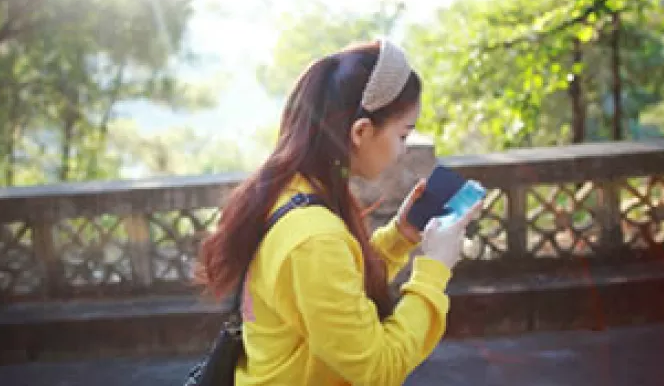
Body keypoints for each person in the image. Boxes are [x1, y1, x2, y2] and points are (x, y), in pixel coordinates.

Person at [196, 38, 482, 385]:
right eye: (403, 134)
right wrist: (435, 268)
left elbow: (338, 288)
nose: (403, 151)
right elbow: (377, 367)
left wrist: (400, 236)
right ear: (362, 131)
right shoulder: (313, 238)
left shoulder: (291, 191)